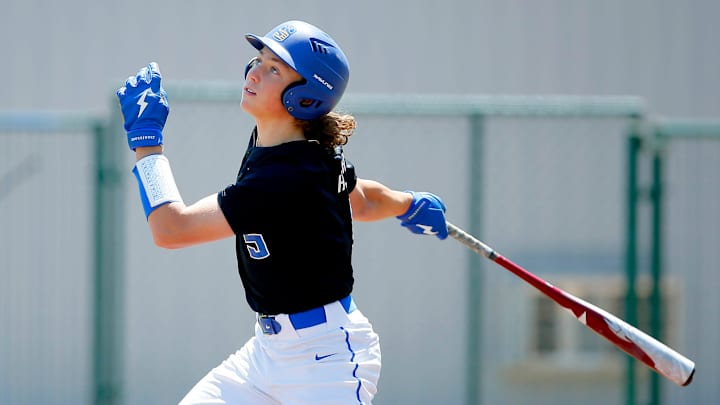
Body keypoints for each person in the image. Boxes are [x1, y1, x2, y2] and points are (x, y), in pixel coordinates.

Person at [117, 20, 448, 405]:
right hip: (265, 357)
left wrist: (147, 145)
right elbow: (363, 200)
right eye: (258, 59)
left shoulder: (287, 176)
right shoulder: (302, 149)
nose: (254, 71)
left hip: (328, 363)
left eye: (274, 68)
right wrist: (407, 203)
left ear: (306, 97)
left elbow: (171, 230)